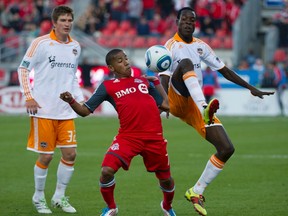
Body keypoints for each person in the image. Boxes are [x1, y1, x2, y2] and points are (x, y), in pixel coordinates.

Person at [159, 7, 275, 216]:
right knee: (185, 64)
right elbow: (163, 75)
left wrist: (251, 88)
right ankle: (205, 108)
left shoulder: (201, 46)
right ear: (177, 21)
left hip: (194, 106)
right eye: (184, 20)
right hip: (177, 99)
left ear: (196, 24)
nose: (188, 23)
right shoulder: (170, 46)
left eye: (192, 20)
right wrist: (165, 101)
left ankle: (196, 191)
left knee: (226, 148)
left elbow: (224, 70)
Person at [60, 49, 176, 216]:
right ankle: (111, 207)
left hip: (154, 138)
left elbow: (166, 106)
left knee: (166, 179)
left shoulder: (142, 81)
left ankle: (167, 206)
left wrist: (156, 83)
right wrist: (70, 100)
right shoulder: (107, 86)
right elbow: (85, 111)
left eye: (126, 59)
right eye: (120, 60)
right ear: (111, 67)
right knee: (106, 171)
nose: (126, 62)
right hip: (128, 137)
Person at [17, 5, 84, 214]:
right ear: (54, 23)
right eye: (63, 20)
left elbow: (72, 77)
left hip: (65, 112)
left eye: (69, 20)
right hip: (44, 110)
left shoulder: (76, 47)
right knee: (46, 156)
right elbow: (23, 68)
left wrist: (80, 101)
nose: (67, 24)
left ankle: (59, 196)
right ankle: (38, 197)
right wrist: (28, 97)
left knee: (70, 155)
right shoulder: (41, 43)